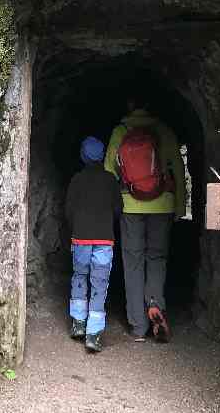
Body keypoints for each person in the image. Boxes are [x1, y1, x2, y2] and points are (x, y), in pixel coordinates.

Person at [105, 97, 185, 343]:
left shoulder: (120, 132)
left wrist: (111, 206)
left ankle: (138, 326)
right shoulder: (164, 131)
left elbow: (109, 170)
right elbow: (179, 169)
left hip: (130, 205)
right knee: (156, 258)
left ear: (129, 108)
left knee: (133, 262)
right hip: (162, 205)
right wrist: (179, 205)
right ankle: (155, 304)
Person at [64, 135, 123, 353]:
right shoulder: (110, 180)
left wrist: (77, 226)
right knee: (100, 282)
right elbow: (118, 209)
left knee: (80, 276)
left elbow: (68, 210)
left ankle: (78, 324)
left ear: (83, 156)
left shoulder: (77, 180)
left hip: (81, 238)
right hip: (104, 240)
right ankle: (94, 334)